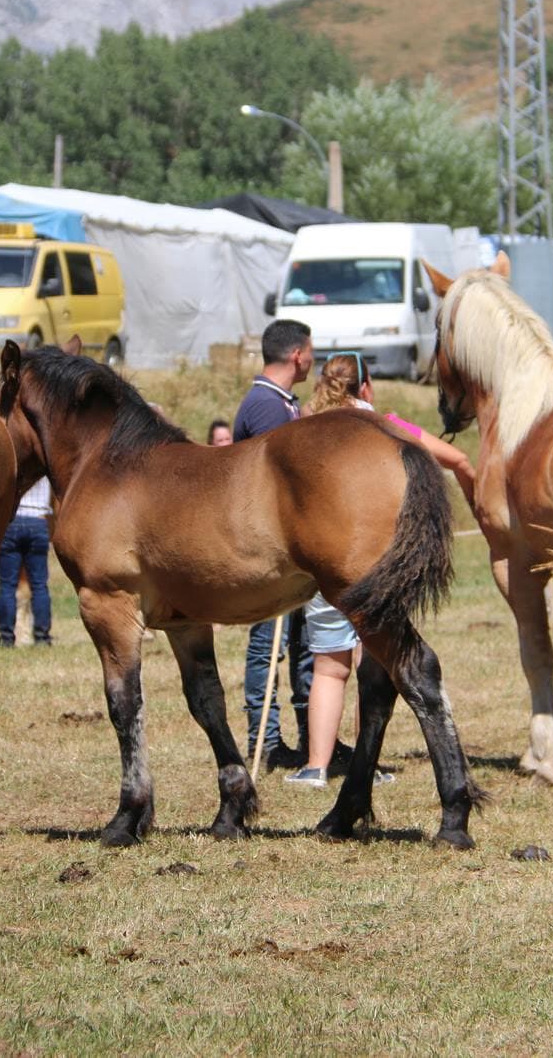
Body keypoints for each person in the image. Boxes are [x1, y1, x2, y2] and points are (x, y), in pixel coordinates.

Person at [284, 351, 473, 788]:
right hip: (379, 553)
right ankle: (367, 761)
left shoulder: (304, 426)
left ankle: (316, 765)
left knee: (329, 666)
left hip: (320, 558)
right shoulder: (385, 425)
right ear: (365, 387)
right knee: (377, 657)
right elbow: (453, 458)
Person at [232, 318, 316, 768]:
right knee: (269, 645)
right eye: (311, 351)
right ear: (298, 355)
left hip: (292, 548)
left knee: (302, 646)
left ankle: (310, 738)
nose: (313, 358)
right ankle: (264, 741)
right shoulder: (265, 406)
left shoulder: (282, 402)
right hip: (267, 548)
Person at [0, 476, 53, 646]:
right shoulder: (43, 466)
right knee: (40, 585)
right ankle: (42, 636)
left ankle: (6, 637)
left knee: (7, 586)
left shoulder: (15, 464)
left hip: (12, 520)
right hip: (38, 520)